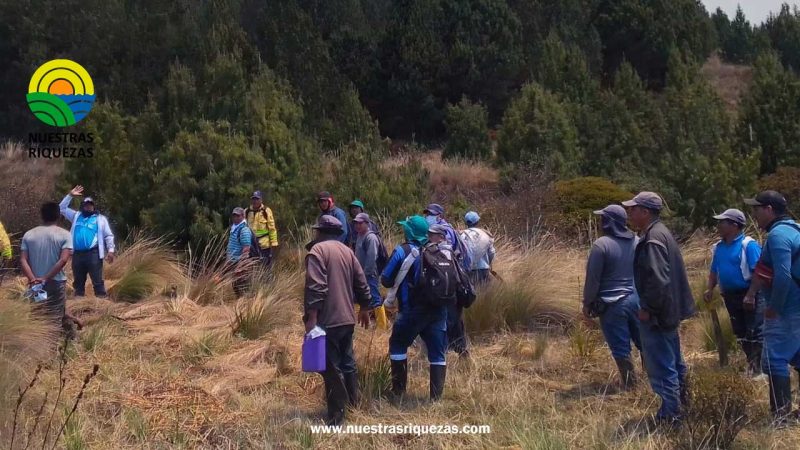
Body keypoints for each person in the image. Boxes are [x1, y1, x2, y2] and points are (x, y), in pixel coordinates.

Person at [623, 191, 695, 424]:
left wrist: (649, 309)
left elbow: (657, 280)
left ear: (645, 212)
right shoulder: (661, 233)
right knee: (674, 361)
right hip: (669, 311)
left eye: (633, 209)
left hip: (658, 315)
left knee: (662, 366)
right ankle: (683, 406)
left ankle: (671, 416)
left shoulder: (653, 239)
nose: (630, 213)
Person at [304, 215, 371, 426]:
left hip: (328, 318)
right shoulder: (348, 252)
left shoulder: (317, 251)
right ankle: (353, 403)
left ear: (321, 232)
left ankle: (336, 416)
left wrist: (312, 318)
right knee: (348, 362)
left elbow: (316, 287)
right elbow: (361, 282)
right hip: (347, 318)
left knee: (330, 367)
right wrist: (365, 307)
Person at [744, 190, 800, 424]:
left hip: (787, 309)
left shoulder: (778, 236)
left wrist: (774, 307)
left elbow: (784, 275)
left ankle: (782, 417)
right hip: (795, 307)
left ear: (769, 209)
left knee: (774, 359)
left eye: (757, 209)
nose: (754, 214)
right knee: (797, 355)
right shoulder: (795, 228)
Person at [382, 216, 448, 401]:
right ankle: (436, 398)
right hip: (437, 310)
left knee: (397, 345)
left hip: (411, 310)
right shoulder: (438, 250)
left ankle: (399, 392)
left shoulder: (402, 251)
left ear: (410, 232)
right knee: (437, 352)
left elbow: (385, 279)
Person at [583, 205, 642, 389]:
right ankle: (652, 381)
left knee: (620, 346)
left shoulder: (601, 245)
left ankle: (630, 385)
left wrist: (587, 303)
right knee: (644, 342)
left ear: (608, 222)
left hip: (612, 304)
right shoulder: (637, 241)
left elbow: (593, 279)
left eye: (603, 219)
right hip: (637, 300)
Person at [703, 208, 765, 378]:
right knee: (740, 332)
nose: (718, 226)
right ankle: (752, 366)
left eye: (722, 222)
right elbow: (714, 271)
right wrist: (710, 288)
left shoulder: (748, 245)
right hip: (730, 296)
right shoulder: (719, 247)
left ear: (734, 225)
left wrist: (751, 295)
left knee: (754, 331)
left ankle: (759, 370)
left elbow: (758, 272)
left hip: (750, 294)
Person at [20, 202, 74, 338]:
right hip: (55, 282)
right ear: (58, 216)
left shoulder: (29, 235)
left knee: (37, 316)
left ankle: (36, 347)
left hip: (35, 285)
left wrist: (33, 279)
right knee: (55, 318)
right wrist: (45, 278)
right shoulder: (65, 234)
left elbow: (23, 260)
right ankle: (52, 350)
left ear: (42, 215)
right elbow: (63, 260)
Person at [59, 185, 115, 297]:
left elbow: (108, 235)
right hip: (77, 254)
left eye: (90, 205)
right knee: (78, 282)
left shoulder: (100, 219)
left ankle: (101, 302)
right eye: (86, 205)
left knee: (97, 280)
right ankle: (79, 305)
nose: (88, 207)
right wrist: (70, 195)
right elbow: (61, 208)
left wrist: (111, 250)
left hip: (93, 253)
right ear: (83, 206)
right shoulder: (76, 216)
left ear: (93, 207)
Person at [353, 213, 383, 309]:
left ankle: (381, 323)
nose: (357, 225)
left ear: (367, 223)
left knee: (375, 298)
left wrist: (366, 273)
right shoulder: (359, 235)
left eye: (360, 223)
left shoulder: (371, 238)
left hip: (370, 274)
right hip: (361, 273)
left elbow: (372, 257)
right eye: (356, 223)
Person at [460, 211, 496, 286]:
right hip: (483, 268)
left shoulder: (461, 235)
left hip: (467, 269)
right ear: (477, 221)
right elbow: (491, 252)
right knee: (485, 293)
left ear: (466, 223)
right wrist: (488, 263)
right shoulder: (486, 234)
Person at [245, 191, 279, 268]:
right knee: (252, 266)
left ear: (261, 200)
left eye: (257, 199)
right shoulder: (247, 211)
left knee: (266, 266)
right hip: (251, 245)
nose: (255, 201)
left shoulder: (266, 211)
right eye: (253, 199)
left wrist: (274, 243)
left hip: (264, 245)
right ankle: (255, 280)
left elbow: (272, 228)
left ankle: (266, 280)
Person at [227, 207, 252, 297]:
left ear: (243, 216)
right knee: (236, 285)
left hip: (240, 262)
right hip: (233, 261)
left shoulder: (244, 230)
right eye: (234, 215)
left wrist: (241, 266)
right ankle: (240, 303)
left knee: (242, 285)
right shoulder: (234, 228)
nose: (235, 218)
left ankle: (247, 304)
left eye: (237, 216)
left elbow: (246, 249)